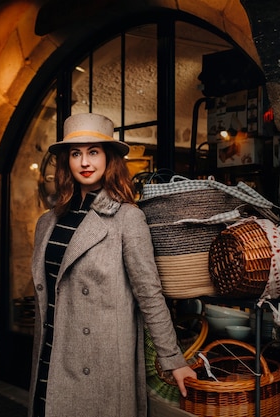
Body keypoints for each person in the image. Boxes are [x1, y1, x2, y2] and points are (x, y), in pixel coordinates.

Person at [28, 113, 197, 417]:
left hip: (100, 362)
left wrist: (174, 360)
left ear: (109, 158)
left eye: (94, 152)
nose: (85, 161)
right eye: (76, 153)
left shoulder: (127, 219)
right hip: (51, 355)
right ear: (66, 160)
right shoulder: (46, 223)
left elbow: (149, 294)